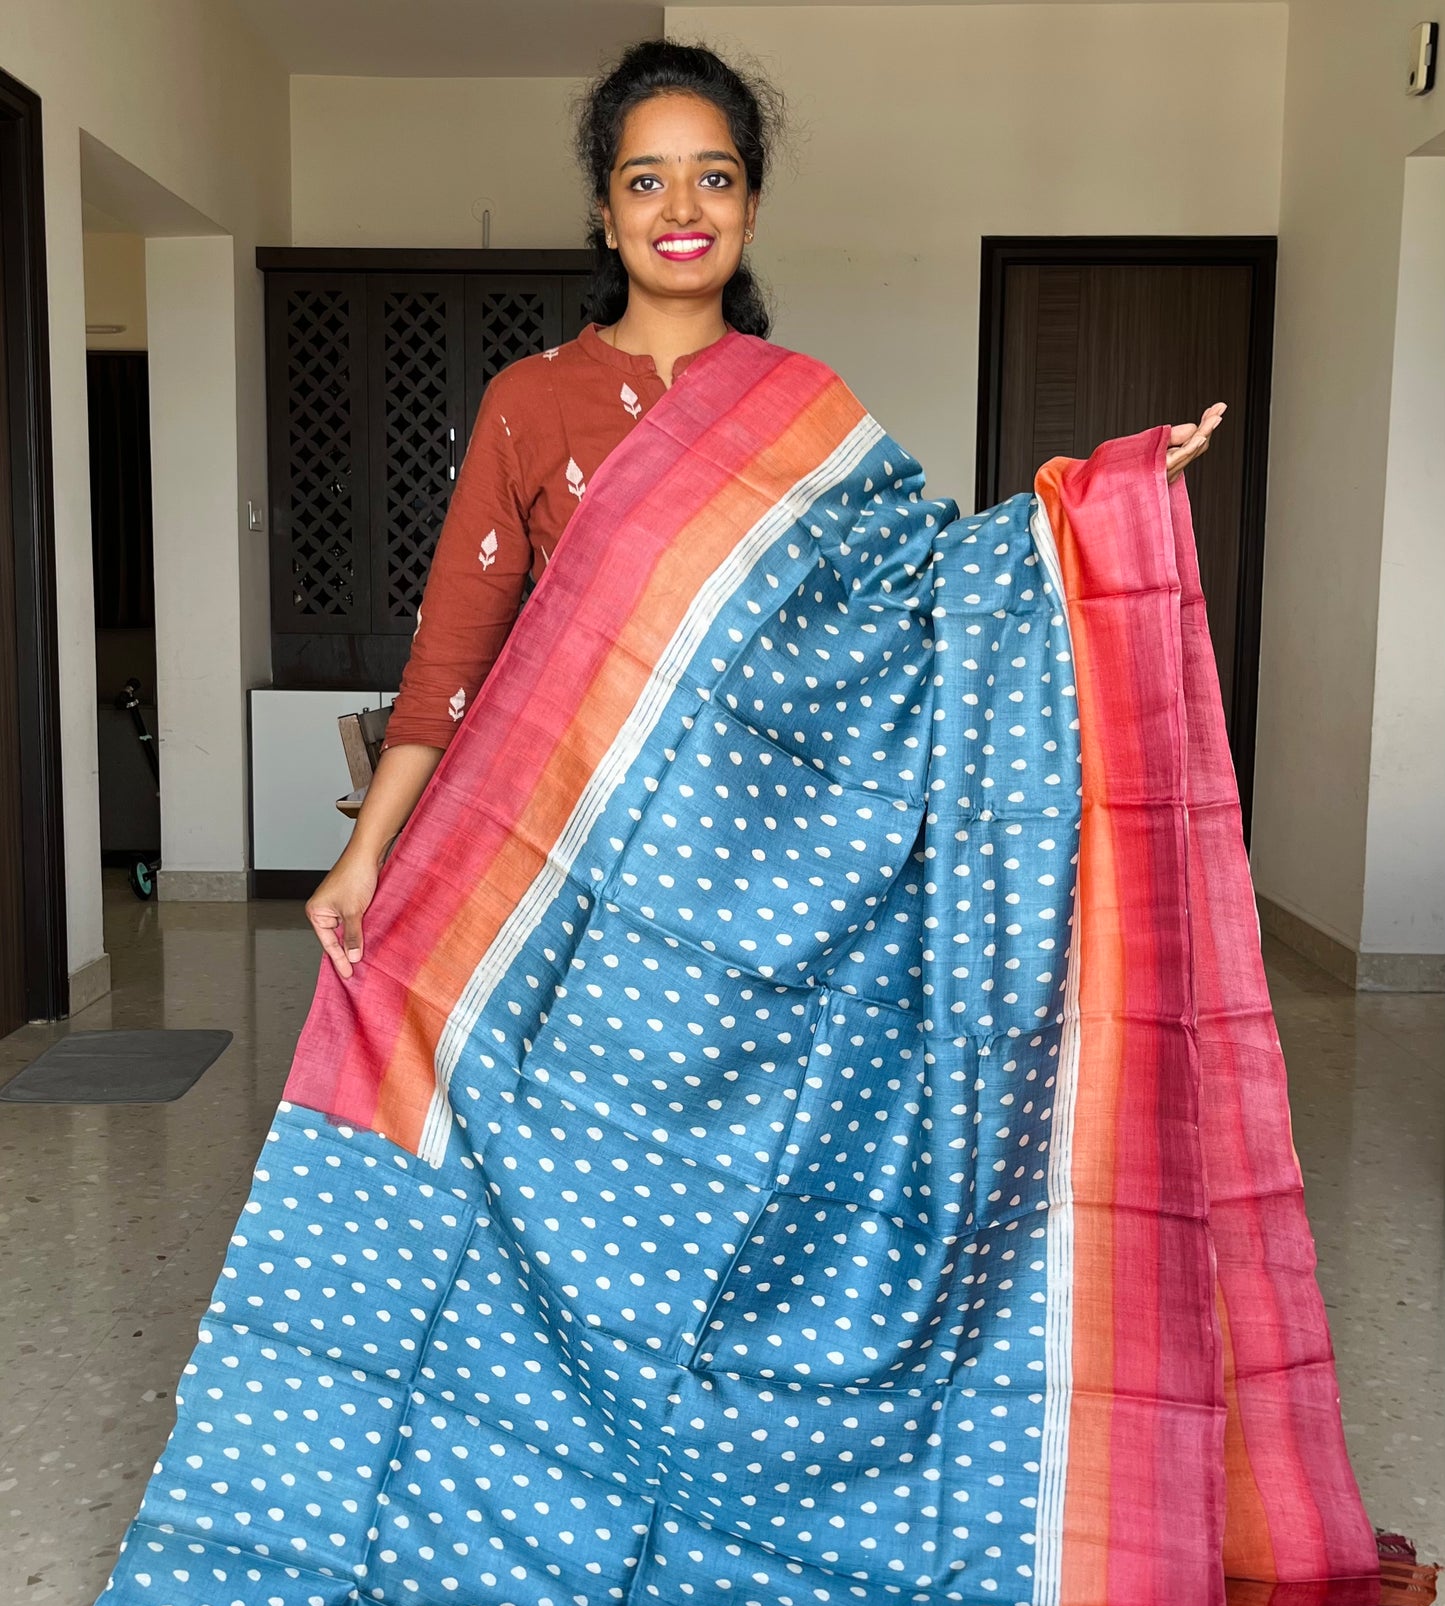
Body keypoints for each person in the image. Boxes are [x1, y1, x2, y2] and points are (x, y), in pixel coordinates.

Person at [305, 38, 1224, 981]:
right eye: (645, 180)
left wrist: (1104, 506)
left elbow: (922, 587)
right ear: (605, 210)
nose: (681, 208)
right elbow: (450, 662)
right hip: (572, 849)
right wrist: (363, 855)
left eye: (714, 176)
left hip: (764, 865)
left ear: (749, 207)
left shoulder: (798, 407)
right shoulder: (528, 401)